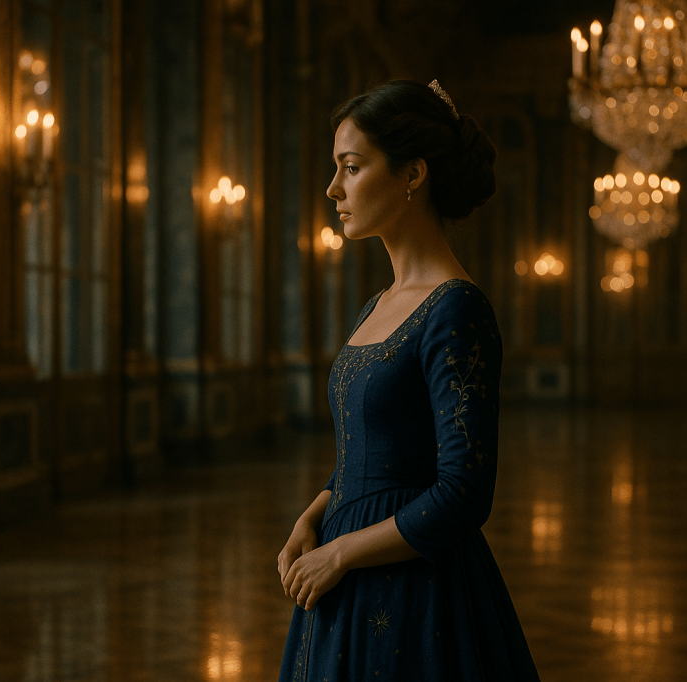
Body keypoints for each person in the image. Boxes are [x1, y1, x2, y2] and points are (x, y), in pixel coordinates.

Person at [277, 79, 540, 681]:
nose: (332, 189)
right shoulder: (377, 304)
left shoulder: (456, 310)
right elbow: (374, 451)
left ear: (412, 173)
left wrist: (341, 554)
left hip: (414, 590)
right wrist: (314, 515)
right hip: (339, 574)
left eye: (351, 167)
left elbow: (464, 493)